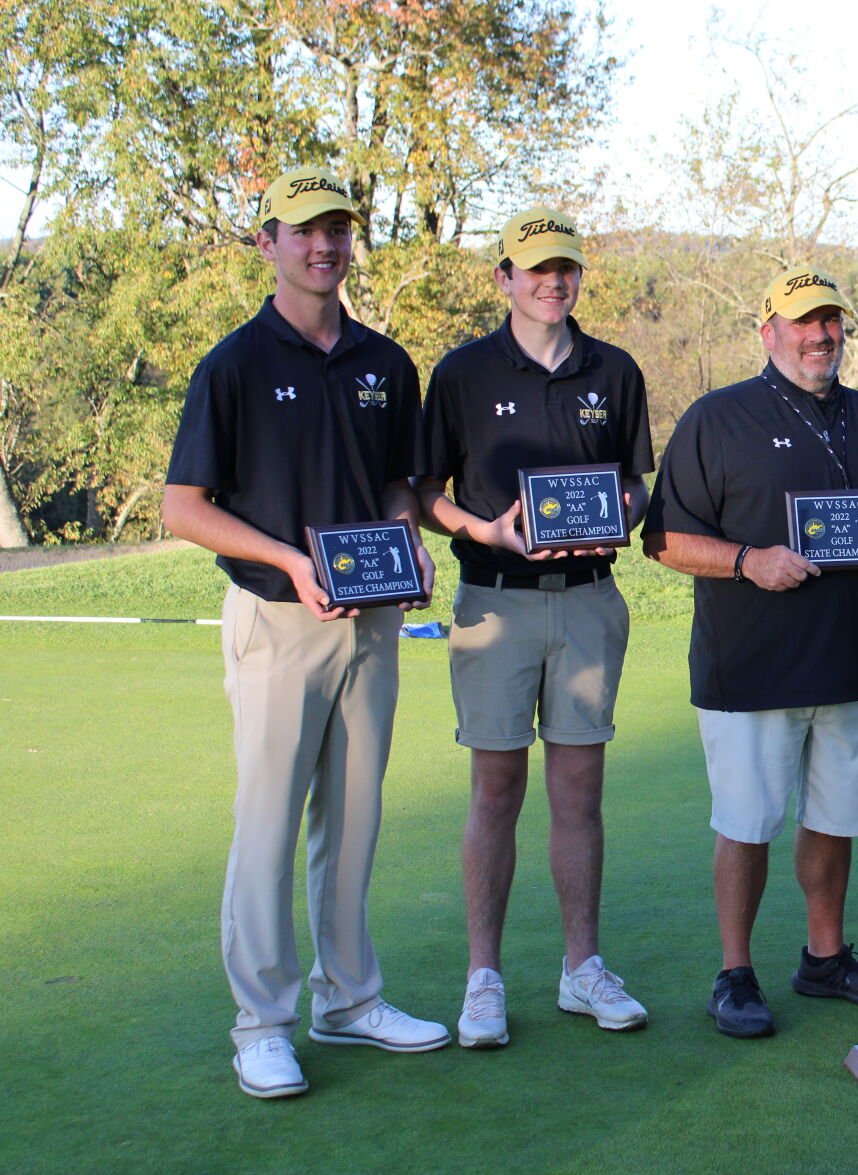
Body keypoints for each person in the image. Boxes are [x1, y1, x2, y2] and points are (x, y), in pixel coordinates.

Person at [163, 166, 448, 1100]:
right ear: (268, 242)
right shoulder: (234, 364)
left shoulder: (384, 362)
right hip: (277, 620)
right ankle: (262, 1022)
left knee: (355, 818)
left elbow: (401, 484)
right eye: (304, 231)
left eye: (337, 230)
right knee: (270, 823)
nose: (323, 245)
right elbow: (184, 507)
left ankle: (350, 998)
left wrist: (407, 536)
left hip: (372, 623)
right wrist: (290, 560)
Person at [643, 268, 858, 1038]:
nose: (819, 335)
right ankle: (735, 971)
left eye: (831, 321)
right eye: (802, 321)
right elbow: (663, 538)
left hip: (851, 658)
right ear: (767, 330)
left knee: (834, 819)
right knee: (748, 823)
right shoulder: (717, 417)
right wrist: (746, 561)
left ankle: (824, 957)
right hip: (751, 666)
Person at [416, 207, 655, 1048]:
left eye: (566, 268)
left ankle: (580, 968)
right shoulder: (461, 372)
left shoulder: (615, 370)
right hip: (494, 600)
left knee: (579, 790)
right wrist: (479, 530)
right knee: (495, 787)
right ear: (503, 278)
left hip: (589, 596)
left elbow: (635, 484)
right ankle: (484, 977)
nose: (553, 281)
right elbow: (423, 494)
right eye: (536, 268)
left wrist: (620, 513)